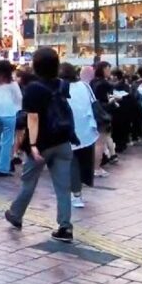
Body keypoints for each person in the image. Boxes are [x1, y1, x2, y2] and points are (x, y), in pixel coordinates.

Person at [5, 47, 78, 242]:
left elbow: (33, 119)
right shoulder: (62, 84)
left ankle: (16, 214)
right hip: (63, 141)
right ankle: (65, 227)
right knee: (63, 187)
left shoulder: (34, 89)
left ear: (36, 65)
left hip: (42, 144)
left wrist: (34, 144)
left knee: (29, 181)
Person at [61, 63, 99, 209]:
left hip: (68, 129)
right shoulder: (85, 86)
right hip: (87, 128)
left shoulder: (59, 88)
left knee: (72, 162)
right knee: (83, 159)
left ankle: (76, 194)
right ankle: (80, 189)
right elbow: (94, 104)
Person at [0, 61, 22, 177]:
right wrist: (16, 110)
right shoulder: (13, 84)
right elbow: (19, 99)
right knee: (7, 142)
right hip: (9, 116)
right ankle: (3, 169)